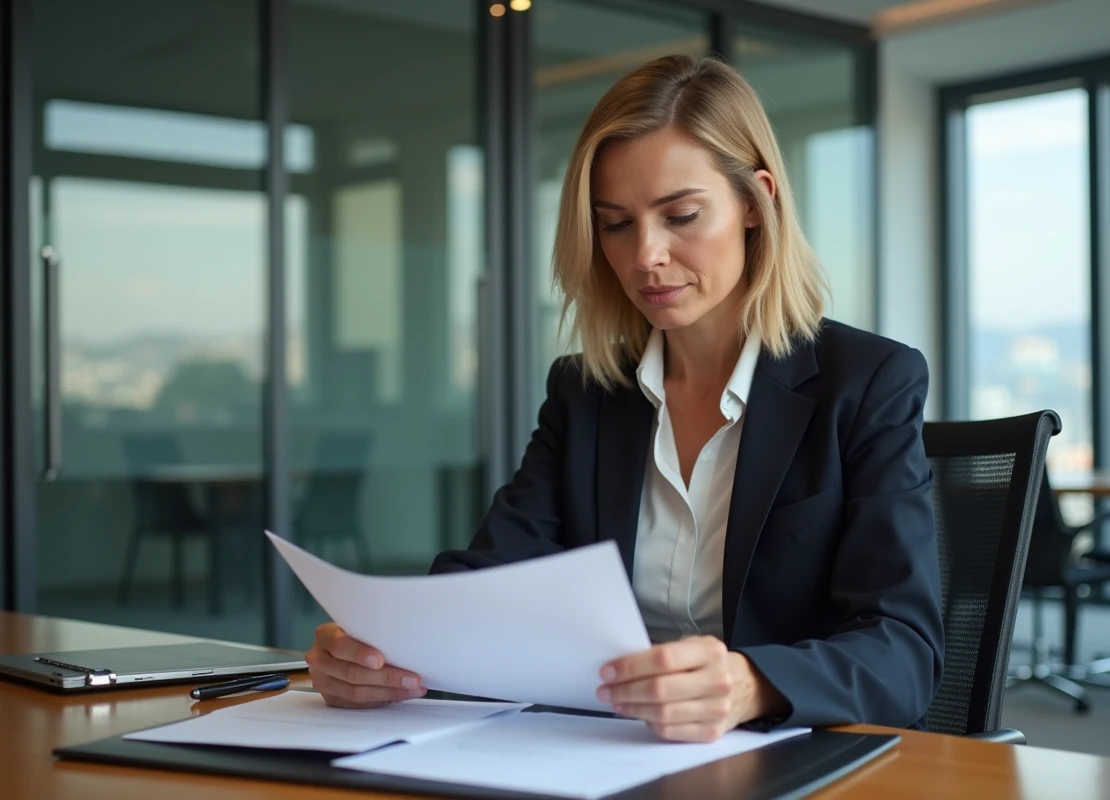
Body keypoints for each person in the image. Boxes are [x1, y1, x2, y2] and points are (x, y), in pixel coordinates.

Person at [306, 54, 944, 743]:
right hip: (605, 752)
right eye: (616, 223)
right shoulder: (586, 392)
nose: (646, 255)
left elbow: (905, 650)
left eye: (682, 215)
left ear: (757, 204)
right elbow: (493, 578)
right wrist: (376, 647)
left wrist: (751, 685)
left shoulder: (866, 381)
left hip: (787, 760)